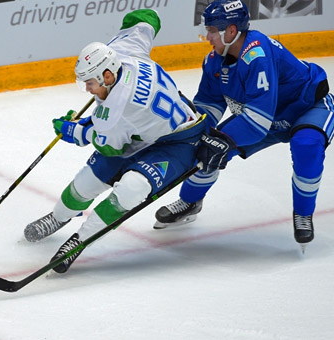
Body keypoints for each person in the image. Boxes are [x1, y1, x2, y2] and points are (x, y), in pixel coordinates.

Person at [23, 9, 207, 273]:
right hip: (140, 129)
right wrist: (90, 121)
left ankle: (79, 241)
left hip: (178, 141)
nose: (88, 89)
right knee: (86, 182)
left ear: (108, 76)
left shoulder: (119, 107)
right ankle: (58, 217)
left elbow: (109, 144)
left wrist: (73, 130)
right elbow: (147, 19)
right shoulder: (123, 51)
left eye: (90, 83)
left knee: (131, 188)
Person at [153, 0, 332, 250]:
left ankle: (303, 213)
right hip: (263, 117)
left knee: (307, 146)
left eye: (213, 30)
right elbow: (210, 106)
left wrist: (219, 141)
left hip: (306, 108)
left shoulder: (256, 53)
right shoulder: (214, 61)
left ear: (232, 31)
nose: (208, 37)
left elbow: (257, 121)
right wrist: (188, 128)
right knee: (203, 146)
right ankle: (190, 201)